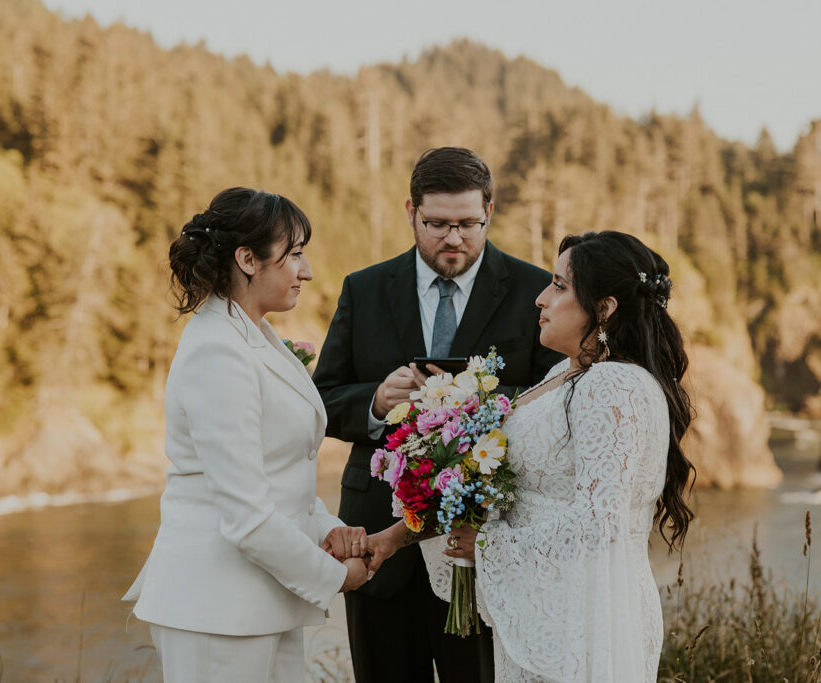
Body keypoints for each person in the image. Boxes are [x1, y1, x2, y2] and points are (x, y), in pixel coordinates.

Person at [313, 147, 562, 683]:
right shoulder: (364, 287)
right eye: (437, 224)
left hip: (482, 542)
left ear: (489, 212)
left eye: (468, 224)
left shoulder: (534, 290)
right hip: (377, 534)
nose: (453, 239)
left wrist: (473, 403)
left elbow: (557, 394)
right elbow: (324, 398)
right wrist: (377, 402)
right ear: (411, 212)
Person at [122, 188, 370, 683]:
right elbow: (246, 515)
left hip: (259, 603)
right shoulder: (218, 350)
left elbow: (277, 473)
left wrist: (326, 528)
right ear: (247, 259)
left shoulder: (254, 334)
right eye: (295, 254)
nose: (308, 271)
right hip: (216, 612)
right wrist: (334, 576)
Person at [439, 230, 696, 681]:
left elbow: (599, 522)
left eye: (559, 286)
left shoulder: (612, 386)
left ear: (604, 308)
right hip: (546, 608)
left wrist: (489, 546)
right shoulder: (567, 372)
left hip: (586, 620)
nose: (540, 298)